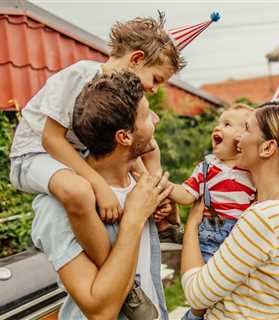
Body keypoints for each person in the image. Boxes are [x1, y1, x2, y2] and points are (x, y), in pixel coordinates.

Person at [9, 13, 184, 316]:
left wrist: (152, 189)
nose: (154, 90)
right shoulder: (82, 75)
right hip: (32, 155)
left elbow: (124, 154)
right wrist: (99, 185)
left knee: (81, 187)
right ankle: (123, 284)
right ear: (137, 58)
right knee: (79, 191)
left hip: (64, 159)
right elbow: (52, 139)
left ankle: (128, 273)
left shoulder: (111, 100)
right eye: (156, 79)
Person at [31, 71, 173, 319]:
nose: (156, 119)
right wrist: (134, 218)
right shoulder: (59, 206)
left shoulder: (138, 183)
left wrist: (165, 215)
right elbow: (100, 312)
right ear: (124, 136)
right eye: (147, 115)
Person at [181, 101, 279, 319]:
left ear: (267, 148)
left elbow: (196, 295)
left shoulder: (263, 219)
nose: (238, 139)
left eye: (246, 128)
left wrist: (191, 225)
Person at [166, 104, 256, 319]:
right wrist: (162, 186)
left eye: (226, 124)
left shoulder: (252, 169)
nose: (217, 128)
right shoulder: (207, 167)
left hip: (239, 240)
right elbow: (187, 196)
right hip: (208, 237)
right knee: (202, 298)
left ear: (244, 136)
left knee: (230, 298)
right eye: (218, 123)